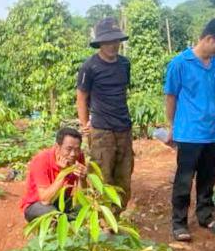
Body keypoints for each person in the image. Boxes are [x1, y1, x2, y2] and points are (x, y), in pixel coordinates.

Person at [164, 18, 215, 242]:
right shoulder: (179, 63)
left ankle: (205, 216)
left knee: (208, 177)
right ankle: (179, 223)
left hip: (211, 132)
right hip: (188, 132)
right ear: (209, 38)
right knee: (184, 179)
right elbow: (171, 96)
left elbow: (213, 92)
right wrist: (171, 126)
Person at [76, 17, 134, 208]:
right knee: (102, 175)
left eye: (115, 41)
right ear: (100, 43)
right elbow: (82, 96)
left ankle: (116, 217)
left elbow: (122, 92)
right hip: (101, 130)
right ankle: (101, 219)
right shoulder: (89, 67)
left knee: (124, 175)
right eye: (108, 41)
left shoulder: (124, 64)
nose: (112, 45)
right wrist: (85, 125)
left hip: (124, 128)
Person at [21, 127, 87, 222]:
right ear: (57, 147)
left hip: (62, 200)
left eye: (77, 149)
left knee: (84, 206)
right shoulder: (42, 160)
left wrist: (82, 178)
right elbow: (45, 200)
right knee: (52, 214)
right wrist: (63, 173)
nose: (73, 154)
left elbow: (83, 194)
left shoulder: (78, 157)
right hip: (37, 204)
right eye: (68, 149)